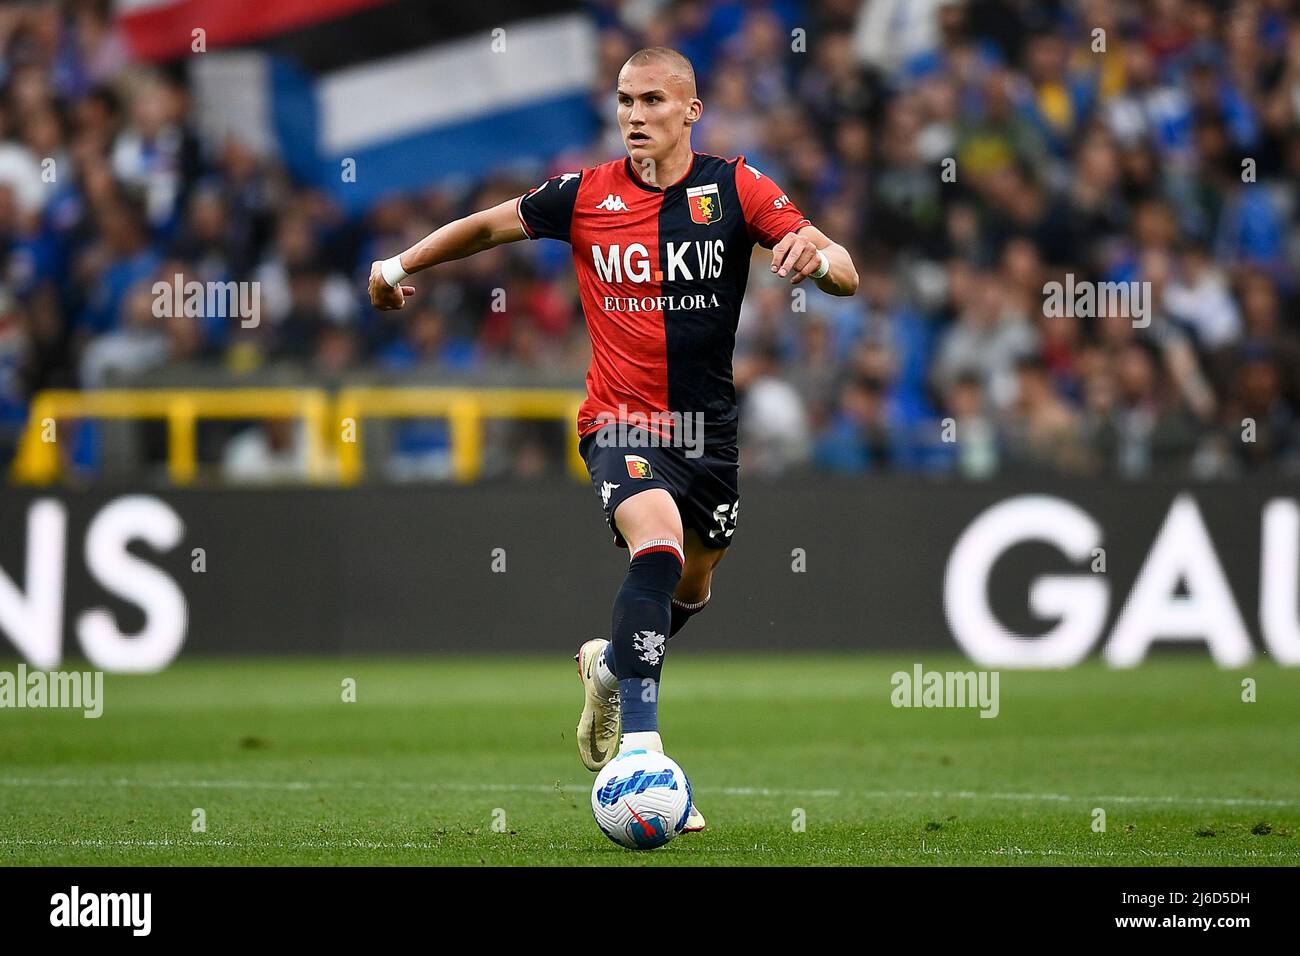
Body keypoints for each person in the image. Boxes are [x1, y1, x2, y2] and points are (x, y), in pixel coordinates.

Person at [368, 47, 857, 832]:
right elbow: (490, 226)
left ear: (691, 111)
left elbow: (844, 268)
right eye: (625, 101)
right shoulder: (585, 195)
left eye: (653, 101)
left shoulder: (737, 188)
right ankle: (641, 751)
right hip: (619, 421)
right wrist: (396, 263)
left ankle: (608, 668)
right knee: (656, 548)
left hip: (709, 433)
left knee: (691, 591)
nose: (634, 115)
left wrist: (820, 260)